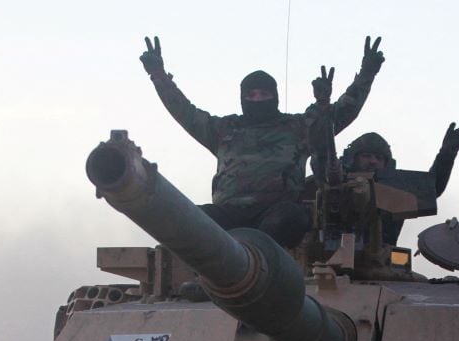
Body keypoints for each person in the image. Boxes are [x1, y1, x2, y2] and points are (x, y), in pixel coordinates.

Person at [139, 35, 385, 249]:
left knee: (292, 217)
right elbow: (184, 111)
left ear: (275, 97)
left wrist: (367, 73)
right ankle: (210, 273)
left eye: (265, 94)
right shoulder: (223, 130)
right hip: (228, 213)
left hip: (276, 215)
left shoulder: (297, 128)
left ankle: (256, 260)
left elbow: (339, 114)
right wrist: (158, 75)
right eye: (252, 95)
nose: (258, 100)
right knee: (191, 219)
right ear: (242, 97)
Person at [340, 123, 459, 245]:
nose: (373, 161)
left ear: (387, 164)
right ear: (353, 158)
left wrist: (447, 153)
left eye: (379, 158)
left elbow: (432, 188)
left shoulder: (396, 187)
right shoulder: (336, 182)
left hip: (381, 259)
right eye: (366, 156)